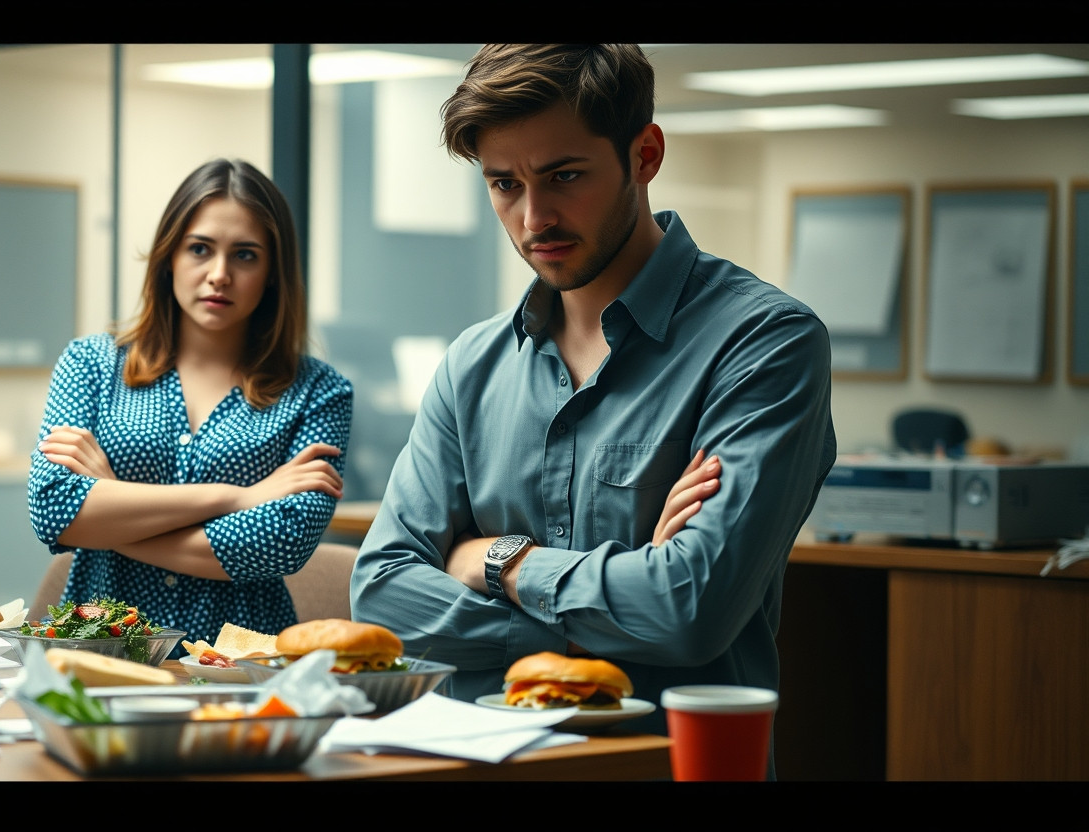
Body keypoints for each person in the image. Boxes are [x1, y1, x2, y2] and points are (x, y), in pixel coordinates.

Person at [349, 44, 837, 745]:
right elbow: (384, 594)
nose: (532, 219)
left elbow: (688, 609)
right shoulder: (473, 365)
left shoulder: (765, 342)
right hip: (483, 762)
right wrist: (621, 596)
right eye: (504, 185)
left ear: (644, 155)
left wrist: (496, 562)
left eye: (564, 176)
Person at [28, 158, 352, 653]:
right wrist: (238, 497)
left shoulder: (318, 391)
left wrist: (111, 506)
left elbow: (280, 542)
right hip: (98, 654)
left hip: (239, 664)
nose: (219, 274)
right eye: (200, 249)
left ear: (271, 272)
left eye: (245, 255)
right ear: (169, 256)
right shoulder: (91, 363)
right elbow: (55, 510)